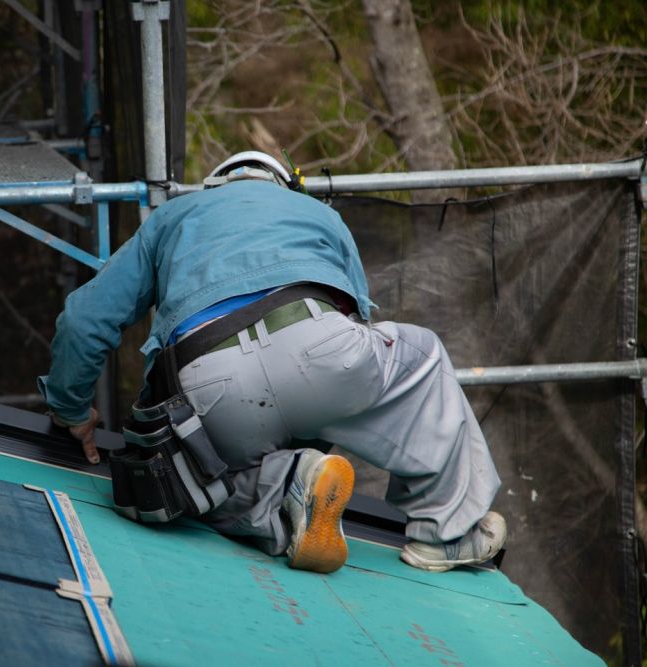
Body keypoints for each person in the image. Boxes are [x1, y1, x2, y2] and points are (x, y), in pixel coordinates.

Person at [37, 150, 506, 574]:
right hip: (319, 347)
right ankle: (445, 537)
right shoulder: (320, 214)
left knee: (185, 485)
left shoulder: (173, 216)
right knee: (420, 356)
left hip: (207, 385)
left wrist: (71, 410)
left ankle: (289, 486)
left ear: (216, 185)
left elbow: (84, 320)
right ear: (283, 183)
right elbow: (358, 323)